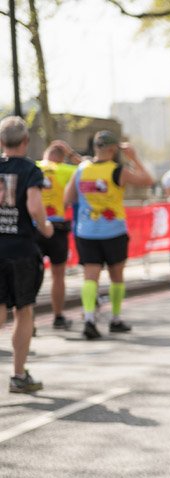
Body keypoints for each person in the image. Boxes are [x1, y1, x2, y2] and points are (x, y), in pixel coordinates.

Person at [64, 131, 154, 340]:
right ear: (113, 150)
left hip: (86, 232)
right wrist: (134, 157)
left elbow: (68, 197)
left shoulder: (81, 170)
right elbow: (148, 180)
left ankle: (88, 319)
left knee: (90, 277)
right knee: (116, 277)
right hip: (113, 232)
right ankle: (115, 319)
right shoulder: (118, 170)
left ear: (95, 147)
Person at [0, 117, 54, 392]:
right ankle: (18, 375)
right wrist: (46, 228)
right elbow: (34, 207)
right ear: (26, 142)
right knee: (23, 311)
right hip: (20, 250)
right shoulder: (31, 169)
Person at [35, 140, 81, 330]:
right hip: (57, 228)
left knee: (31, 274)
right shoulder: (65, 170)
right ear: (61, 157)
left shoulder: (34, 167)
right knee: (58, 274)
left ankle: (29, 320)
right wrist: (71, 153)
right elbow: (87, 168)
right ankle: (58, 316)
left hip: (34, 226)